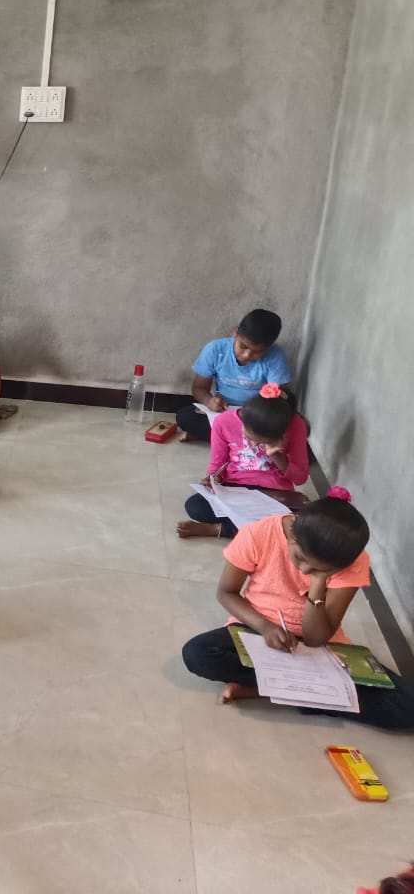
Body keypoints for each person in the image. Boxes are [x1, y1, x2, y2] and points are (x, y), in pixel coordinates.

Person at [180, 489, 414, 730]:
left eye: (319, 569)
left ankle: (266, 689)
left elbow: (315, 639)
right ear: (292, 532)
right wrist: (265, 627)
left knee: (407, 707)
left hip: (321, 644)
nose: (304, 570)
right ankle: (315, 692)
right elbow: (226, 592)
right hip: (257, 629)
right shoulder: (259, 533)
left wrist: (318, 584)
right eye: (300, 557)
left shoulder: (354, 560)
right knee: (198, 653)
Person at [177, 384, 309, 539]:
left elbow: (300, 478)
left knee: (303, 522)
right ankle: (257, 528)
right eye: (249, 437)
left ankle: (220, 529)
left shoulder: (295, 425)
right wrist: (212, 477)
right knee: (195, 506)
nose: (253, 445)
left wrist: (276, 456)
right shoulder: (223, 422)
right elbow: (216, 463)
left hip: (275, 493)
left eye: (261, 442)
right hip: (235, 487)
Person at [175, 308, 292, 442]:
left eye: (257, 351)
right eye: (243, 346)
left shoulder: (275, 356)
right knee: (185, 417)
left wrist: (252, 413)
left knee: (286, 425)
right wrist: (209, 402)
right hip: (223, 411)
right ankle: (246, 441)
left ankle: (223, 438)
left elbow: (278, 399)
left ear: (268, 348)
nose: (247, 355)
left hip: (256, 416)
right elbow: (199, 388)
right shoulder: (215, 350)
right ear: (236, 333)